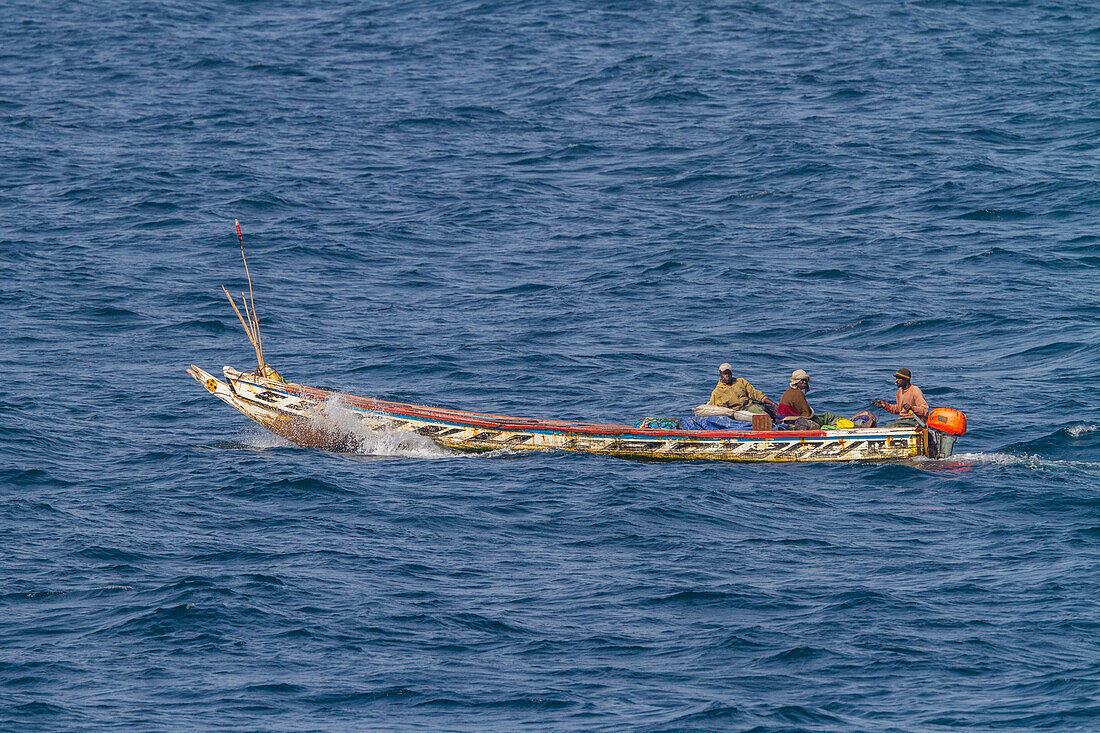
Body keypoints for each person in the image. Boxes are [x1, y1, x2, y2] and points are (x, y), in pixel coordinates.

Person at [778, 369, 843, 427]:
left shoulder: (789, 391)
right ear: (796, 381)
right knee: (828, 416)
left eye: (805, 380)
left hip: (783, 419)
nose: (805, 382)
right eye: (802, 380)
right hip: (792, 421)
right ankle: (847, 424)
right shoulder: (798, 393)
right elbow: (807, 414)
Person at [709, 363, 777, 415]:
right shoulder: (717, 392)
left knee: (771, 410)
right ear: (720, 374)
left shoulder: (741, 382)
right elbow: (713, 408)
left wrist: (772, 403)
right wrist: (723, 407)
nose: (727, 376)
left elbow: (755, 394)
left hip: (750, 405)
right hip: (738, 411)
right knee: (760, 414)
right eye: (724, 374)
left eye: (728, 373)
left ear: (731, 373)